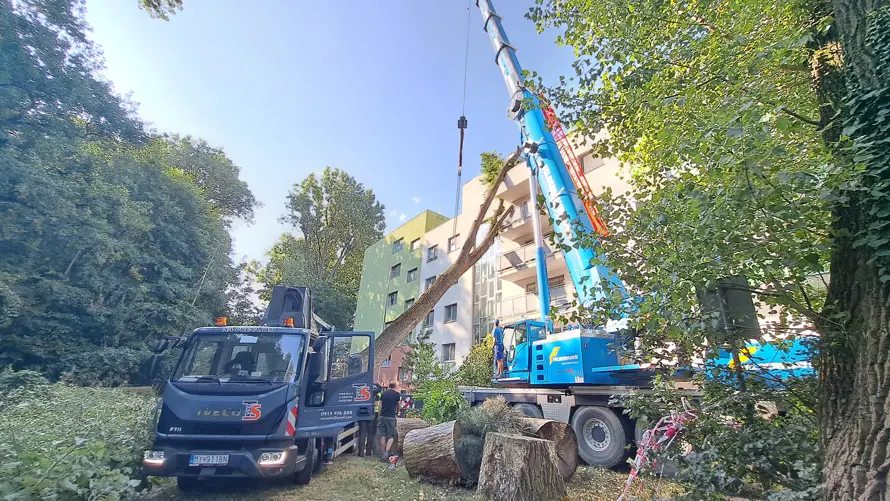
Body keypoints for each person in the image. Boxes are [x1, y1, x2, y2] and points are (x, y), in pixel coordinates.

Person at [377, 381, 401, 461]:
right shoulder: (397, 395)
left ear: (389, 386)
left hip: (383, 416)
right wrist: (397, 413)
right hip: (391, 417)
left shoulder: (383, 394)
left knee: (382, 435)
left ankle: (383, 453)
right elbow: (398, 405)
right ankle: (387, 452)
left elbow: (380, 405)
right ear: (395, 386)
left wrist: (380, 415)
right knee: (391, 436)